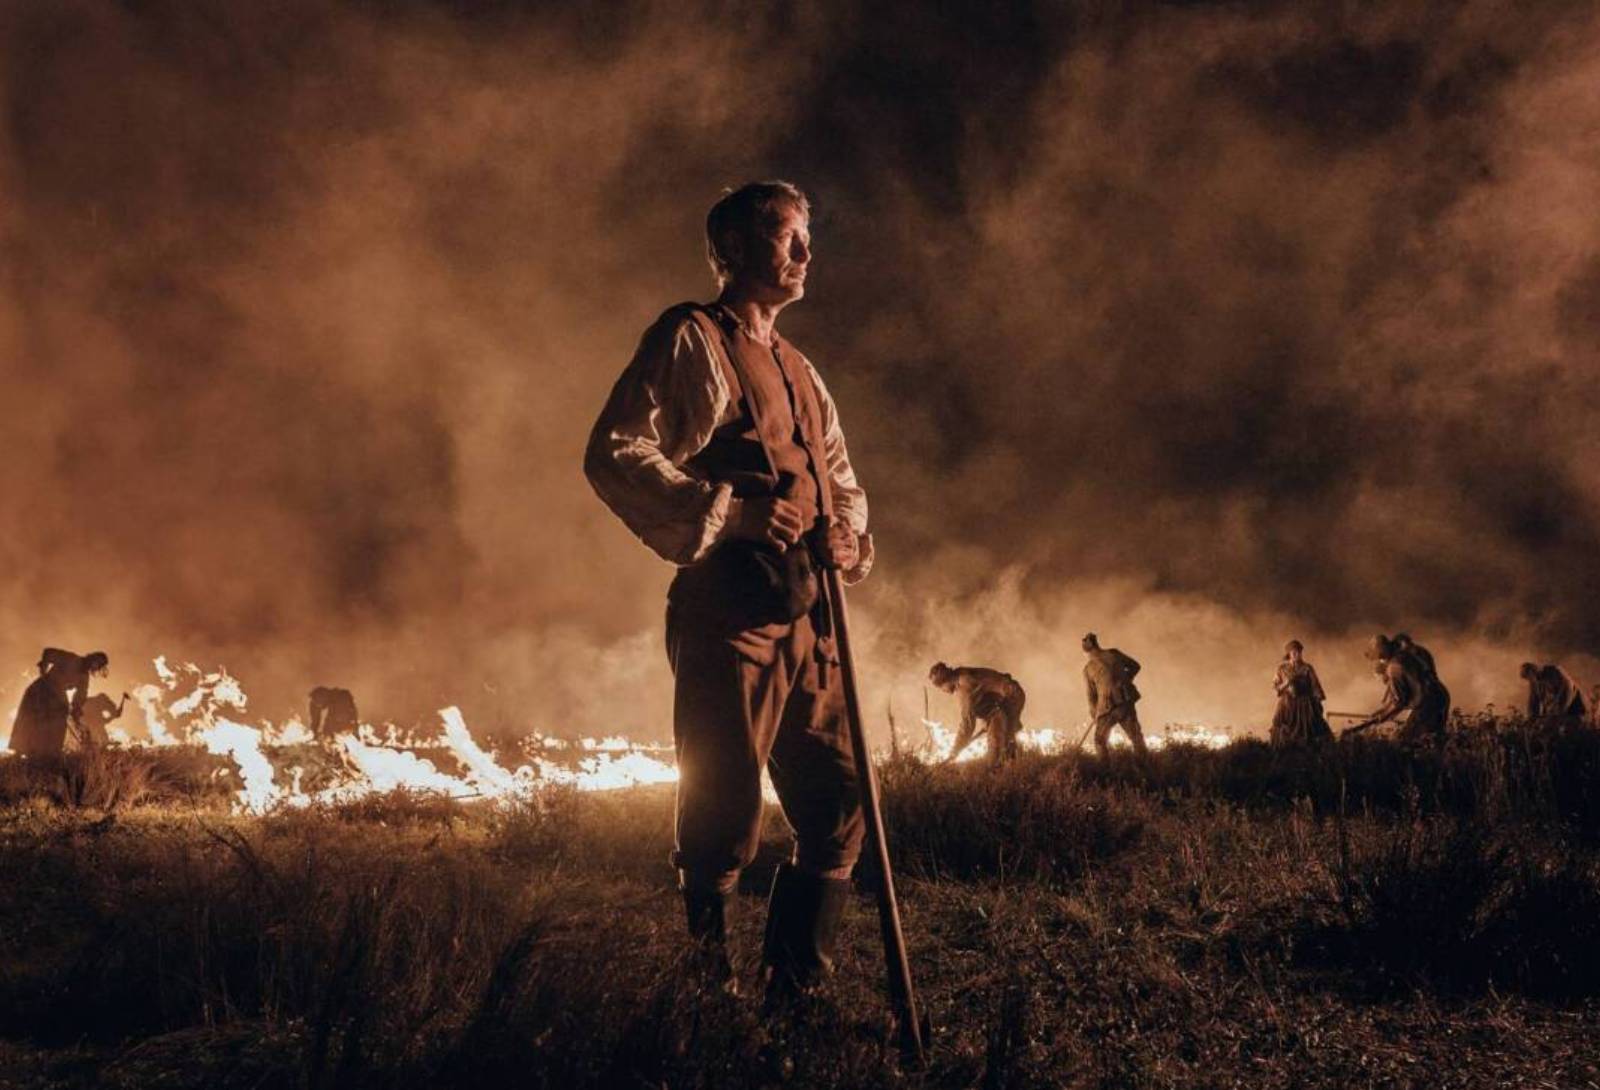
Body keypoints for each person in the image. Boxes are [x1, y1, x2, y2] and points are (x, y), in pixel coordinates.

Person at [585, 181, 872, 999]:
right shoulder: (692, 337)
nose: (805, 254)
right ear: (736, 248)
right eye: (788, 236)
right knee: (722, 809)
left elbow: (839, 475)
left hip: (812, 615)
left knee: (841, 799)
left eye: (807, 237)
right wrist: (734, 515)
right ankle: (704, 995)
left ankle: (794, 990)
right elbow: (615, 448)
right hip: (729, 612)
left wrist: (847, 535)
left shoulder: (801, 368)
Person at [1343, 635, 1451, 745]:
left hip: (1429, 703)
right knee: (1435, 738)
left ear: (1382, 656)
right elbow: (1397, 698)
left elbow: (1399, 702)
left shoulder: (1394, 668)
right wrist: (1383, 711)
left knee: (1406, 741)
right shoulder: (1402, 656)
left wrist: (1383, 717)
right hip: (1440, 695)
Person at [9, 649, 110, 758]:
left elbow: (80, 697)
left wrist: (76, 711)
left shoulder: (84, 677)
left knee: (56, 722)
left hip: (56, 698)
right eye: (97, 664)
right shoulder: (72, 659)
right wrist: (43, 671)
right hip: (40, 690)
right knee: (30, 720)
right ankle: (20, 753)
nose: (96, 668)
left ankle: (45, 755)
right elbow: (48, 653)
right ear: (93, 660)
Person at [927, 662, 1026, 765]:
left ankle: (995, 771)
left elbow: (967, 724)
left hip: (1011, 696)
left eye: (940, 687)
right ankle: (1013, 765)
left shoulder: (963, 686)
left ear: (945, 682)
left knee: (996, 740)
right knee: (1005, 735)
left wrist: (956, 750)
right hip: (1008, 695)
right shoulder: (961, 673)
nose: (943, 691)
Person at [1082, 633, 1148, 758]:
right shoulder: (1114, 654)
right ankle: (1145, 768)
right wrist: (1125, 680)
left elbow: (1091, 696)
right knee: (1136, 737)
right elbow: (1135, 666)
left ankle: (1105, 772)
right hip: (1124, 702)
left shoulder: (1088, 669)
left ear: (1087, 653)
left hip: (1106, 709)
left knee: (1099, 741)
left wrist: (1094, 713)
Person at [1270, 640, 1331, 747]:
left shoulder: (1307, 668)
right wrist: (1286, 684)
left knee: (1311, 730)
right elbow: (1275, 689)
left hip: (1305, 705)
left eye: (1299, 652)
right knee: (1280, 728)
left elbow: (1315, 686)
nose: (1297, 655)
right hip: (1287, 705)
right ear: (1289, 654)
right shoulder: (1281, 669)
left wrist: (1317, 701)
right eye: (1294, 652)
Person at [1519, 662, 1586, 723]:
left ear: (1532, 670)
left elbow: (1568, 688)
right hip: (1555, 713)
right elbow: (1533, 702)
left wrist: (1559, 711)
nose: (1528, 679)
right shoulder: (1534, 683)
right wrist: (1532, 718)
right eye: (1526, 678)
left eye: (1527, 675)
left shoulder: (1553, 671)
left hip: (1573, 708)